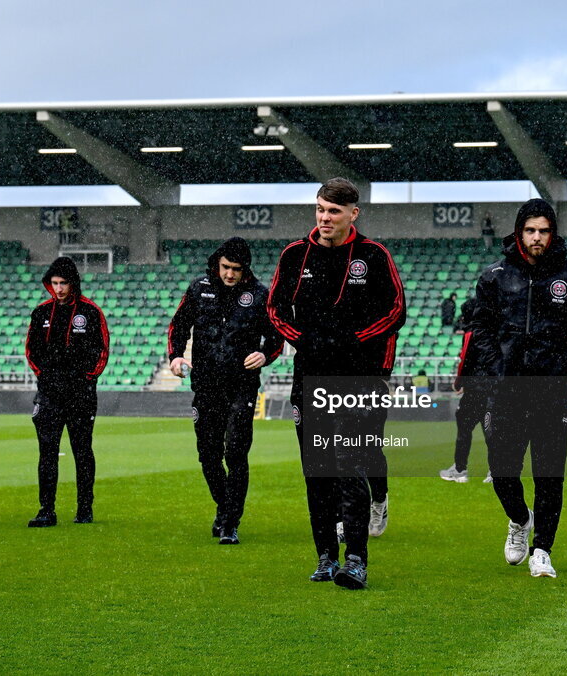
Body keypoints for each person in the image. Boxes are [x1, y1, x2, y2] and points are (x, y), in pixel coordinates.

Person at [267, 177, 405, 590]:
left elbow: (396, 309)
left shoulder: (373, 255)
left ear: (352, 214)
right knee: (317, 472)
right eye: (320, 210)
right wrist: (301, 340)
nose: (325, 218)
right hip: (308, 379)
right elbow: (274, 308)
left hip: (355, 379)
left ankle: (357, 560)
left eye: (333, 212)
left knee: (350, 467)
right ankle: (325, 556)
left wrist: (353, 340)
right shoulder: (295, 254)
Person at [471, 199, 567, 579]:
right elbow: (480, 329)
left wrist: (561, 365)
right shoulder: (494, 277)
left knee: (549, 474)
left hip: (551, 392)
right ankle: (519, 519)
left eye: (544, 230)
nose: (537, 238)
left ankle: (542, 549)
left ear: (553, 233)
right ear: (519, 232)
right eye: (530, 230)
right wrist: (497, 368)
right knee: (502, 471)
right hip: (507, 390)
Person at [167, 237, 283, 544]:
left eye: (236, 269)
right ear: (217, 264)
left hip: (242, 386)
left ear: (246, 269)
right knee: (208, 455)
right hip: (205, 384)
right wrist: (176, 355)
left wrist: (265, 355)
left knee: (235, 452)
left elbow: (276, 337)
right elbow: (177, 326)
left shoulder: (259, 295)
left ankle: (231, 522)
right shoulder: (198, 288)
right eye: (225, 267)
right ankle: (224, 506)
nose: (230, 274)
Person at [24, 257, 109, 527]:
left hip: (80, 395)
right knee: (47, 451)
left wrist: (85, 380)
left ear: (73, 284)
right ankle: (46, 510)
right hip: (49, 395)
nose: (59, 289)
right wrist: (45, 378)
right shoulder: (40, 313)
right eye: (54, 283)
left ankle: (84, 508)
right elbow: (31, 350)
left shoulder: (91, 312)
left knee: (82, 450)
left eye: (63, 283)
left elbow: (102, 351)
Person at [439, 321, 489, 483]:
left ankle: (460, 470)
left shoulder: (471, 334)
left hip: (475, 389)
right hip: (491, 388)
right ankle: (496, 471)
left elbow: (464, 360)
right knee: (492, 431)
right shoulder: (494, 331)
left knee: (464, 430)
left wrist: (459, 383)